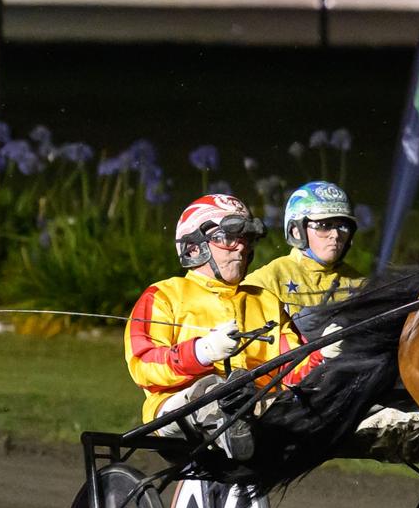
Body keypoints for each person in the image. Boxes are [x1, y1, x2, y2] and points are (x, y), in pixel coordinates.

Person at [125, 193, 336, 460]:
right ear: (193, 247)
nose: (240, 247)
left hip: (258, 404)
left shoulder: (266, 300)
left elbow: (290, 367)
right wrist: (202, 352)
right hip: (177, 408)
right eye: (227, 238)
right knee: (217, 389)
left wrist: (322, 354)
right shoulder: (163, 295)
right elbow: (143, 365)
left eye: (245, 239)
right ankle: (233, 420)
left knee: (307, 400)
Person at [245, 181, 366, 338]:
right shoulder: (265, 282)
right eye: (324, 225)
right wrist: (293, 332)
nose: (335, 235)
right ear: (296, 231)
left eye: (342, 226)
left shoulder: (360, 285)